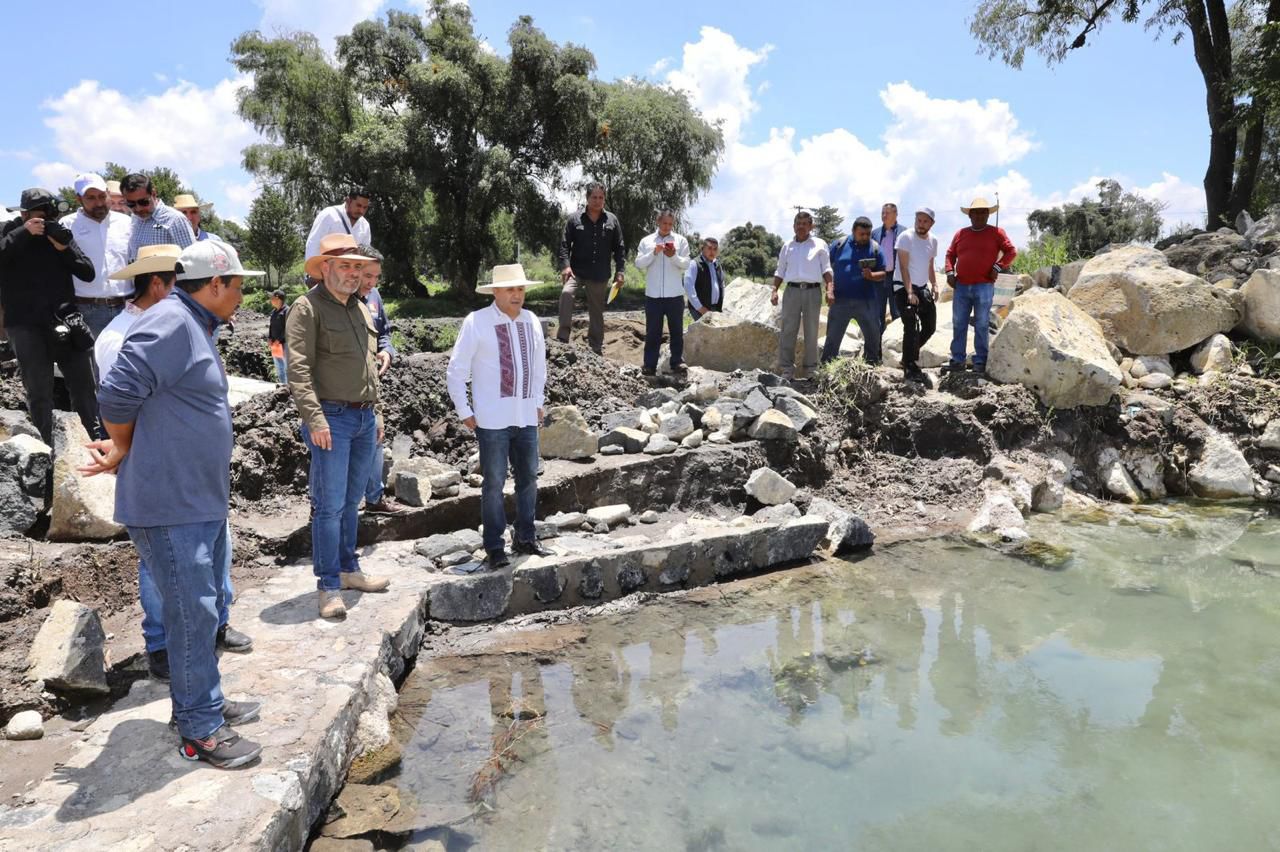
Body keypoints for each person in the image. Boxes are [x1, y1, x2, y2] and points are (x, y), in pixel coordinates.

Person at [85, 240, 264, 769]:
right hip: (169, 503)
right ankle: (200, 731)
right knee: (191, 615)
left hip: (194, 499)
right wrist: (121, 444)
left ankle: (200, 703)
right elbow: (116, 393)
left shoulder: (192, 324)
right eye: (238, 284)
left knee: (203, 610)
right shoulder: (172, 323)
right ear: (215, 284)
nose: (241, 293)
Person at [286, 233, 391, 619]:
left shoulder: (361, 308)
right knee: (328, 507)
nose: (353, 273)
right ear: (325, 267)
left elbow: (367, 366)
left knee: (350, 502)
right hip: (331, 418)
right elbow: (297, 370)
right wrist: (315, 418)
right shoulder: (307, 308)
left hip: (363, 418)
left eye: (357, 267)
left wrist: (376, 413)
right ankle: (328, 586)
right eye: (344, 265)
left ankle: (349, 570)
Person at [447, 264, 550, 569]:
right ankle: (494, 546)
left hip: (526, 416)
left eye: (520, 289)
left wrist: (539, 402)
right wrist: (464, 410)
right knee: (494, 482)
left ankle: (526, 536)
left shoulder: (532, 320)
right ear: (495, 292)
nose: (517, 295)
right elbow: (456, 370)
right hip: (491, 419)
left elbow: (539, 368)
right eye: (510, 289)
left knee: (529, 478)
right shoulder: (476, 322)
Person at [0, 188, 99, 444]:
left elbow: (87, 272)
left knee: (84, 389)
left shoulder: (58, 233)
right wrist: (24, 232)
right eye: (37, 213)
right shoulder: (9, 231)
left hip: (65, 320)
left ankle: (94, 442)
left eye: (48, 212)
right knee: (39, 392)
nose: (43, 219)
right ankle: (46, 451)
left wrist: (63, 248)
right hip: (25, 325)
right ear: (23, 214)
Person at [354, 244, 406, 516]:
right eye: (367, 276)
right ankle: (323, 507)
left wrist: (387, 350)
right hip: (342, 391)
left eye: (376, 277)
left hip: (371, 387)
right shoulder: (341, 299)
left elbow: (384, 333)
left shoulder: (373, 297)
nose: (372, 283)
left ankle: (374, 499)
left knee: (376, 438)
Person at [943, 197, 1017, 374]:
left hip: (984, 286)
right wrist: (949, 273)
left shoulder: (997, 232)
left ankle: (980, 361)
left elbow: (1011, 251)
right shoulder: (961, 234)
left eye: (983, 212)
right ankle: (957, 360)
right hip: (961, 286)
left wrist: (997, 267)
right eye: (975, 212)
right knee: (959, 322)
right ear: (970, 215)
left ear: (988, 215)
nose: (979, 215)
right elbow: (950, 255)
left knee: (982, 323)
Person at [61, 173, 133, 338]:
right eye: (91, 198)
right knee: (97, 362)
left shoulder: (127, 222)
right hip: (88, 310)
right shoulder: (67, 225)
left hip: (127, 307)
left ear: (108, 192)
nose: (99, 203)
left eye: (102, 196)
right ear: (78, 198)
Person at [556, 183, 625, 354]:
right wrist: (565, 267)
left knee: (596, 310)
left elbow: (619, 247)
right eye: (594, 197)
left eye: (601, 197)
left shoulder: (612, 220)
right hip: (576, 271)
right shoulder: (574, 219)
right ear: (587, 198)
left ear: (604, 199)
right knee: (566, 294)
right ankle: (562, 338)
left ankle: (595, 346)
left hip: (599, 273)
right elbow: (564, 245)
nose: (597, 201)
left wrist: (620, 271)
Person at [771, 211, 833, 381]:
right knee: (788, 330)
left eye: (805, 223)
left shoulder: (820, 244)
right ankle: (787, 369)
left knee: (811, 331)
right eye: (798, 223)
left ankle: (811, 370)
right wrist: (774, 289)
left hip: (813, 291)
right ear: (794, 226)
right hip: (791, 291)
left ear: (811, 226)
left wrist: (829, 289)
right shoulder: (787, 246)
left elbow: (827, 269)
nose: (801, 226)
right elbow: (780, 270)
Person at [634, 210, 691, 376]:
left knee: (676, 331)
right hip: (653, 295)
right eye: (664, 223)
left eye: (670, 224)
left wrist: (673, 256)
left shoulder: (681, 241)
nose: (667, 227)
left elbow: (686, 263)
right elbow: (639, 263)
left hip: (675, 295)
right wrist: (654, 252)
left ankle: (677, 362)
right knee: (653, 332)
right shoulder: (646, 241)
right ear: (658, 222)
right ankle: (649, 365)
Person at [822, 216, 884, 364]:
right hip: (840, 301)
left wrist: (872, 275)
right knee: (832, 339)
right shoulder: (838, 245)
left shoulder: (875, 248)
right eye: (862, 234)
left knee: (873, 338)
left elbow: (884, 274)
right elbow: (826, 268)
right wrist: (829, 290)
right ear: (853, 231)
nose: (865, 237)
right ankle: (827, 368)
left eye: (868, 234)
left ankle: (871, 368)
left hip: (867, 302)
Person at [893, 207, 940, 384]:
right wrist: (910, 292)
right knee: (911, 324)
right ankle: (910, 365)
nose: (921, 224)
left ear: (931, 223)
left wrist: (934, 284)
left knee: (930, 326)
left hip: (922, 287)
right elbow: (903, 267)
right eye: (918, 220)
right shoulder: (906, 237)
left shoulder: (933, 241)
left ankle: (908, 356)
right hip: (903, 287)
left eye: (925, 221)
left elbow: (930, 265)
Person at [122, 173, 194, 262]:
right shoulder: (134, 218)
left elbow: (191, 258)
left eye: (143, 202)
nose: (138, 208)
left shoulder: (175, 219)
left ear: (154, 194)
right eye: (131, 204)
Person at [304, 188, 372, 281]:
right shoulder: (329, 215)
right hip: (324, 276)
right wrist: (313, 274)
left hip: (349, 280)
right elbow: (313, 243)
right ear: (348, 201)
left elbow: (364, 255)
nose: (361, 211)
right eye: (358, 205)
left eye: (365, 207)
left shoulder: (365, 225)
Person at [872, 203, 907, 329]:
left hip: (897, 276)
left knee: (897, 312)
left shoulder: (905, 232)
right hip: (879, 278)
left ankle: (896, 345)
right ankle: (877, 346)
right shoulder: (874, 234)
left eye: (887, 213)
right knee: (877, 314)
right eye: (882, 212)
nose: (884, 215)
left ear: (896, 214)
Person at [684, 236, 725, 321]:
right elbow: (688, 287)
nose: (712, 252)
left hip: (715, 309)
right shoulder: (694, 264)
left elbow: (722, 284)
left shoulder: (717, 265)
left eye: (715, 249)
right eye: (709, 248)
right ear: (703, 249)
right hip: (699, 310)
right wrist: (700, 308)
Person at [268, 290, 289, 384]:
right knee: (279, 367)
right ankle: (282, 386)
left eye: (272, 298)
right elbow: (271, 326)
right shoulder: (274, 312)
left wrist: (279, 340)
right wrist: (269, 338)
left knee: (286, 367)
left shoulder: (287, 311)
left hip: (284, 344)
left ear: (277, 298)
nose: (270, 300)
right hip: (275, 345)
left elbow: (287, 328)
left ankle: (289, 388)